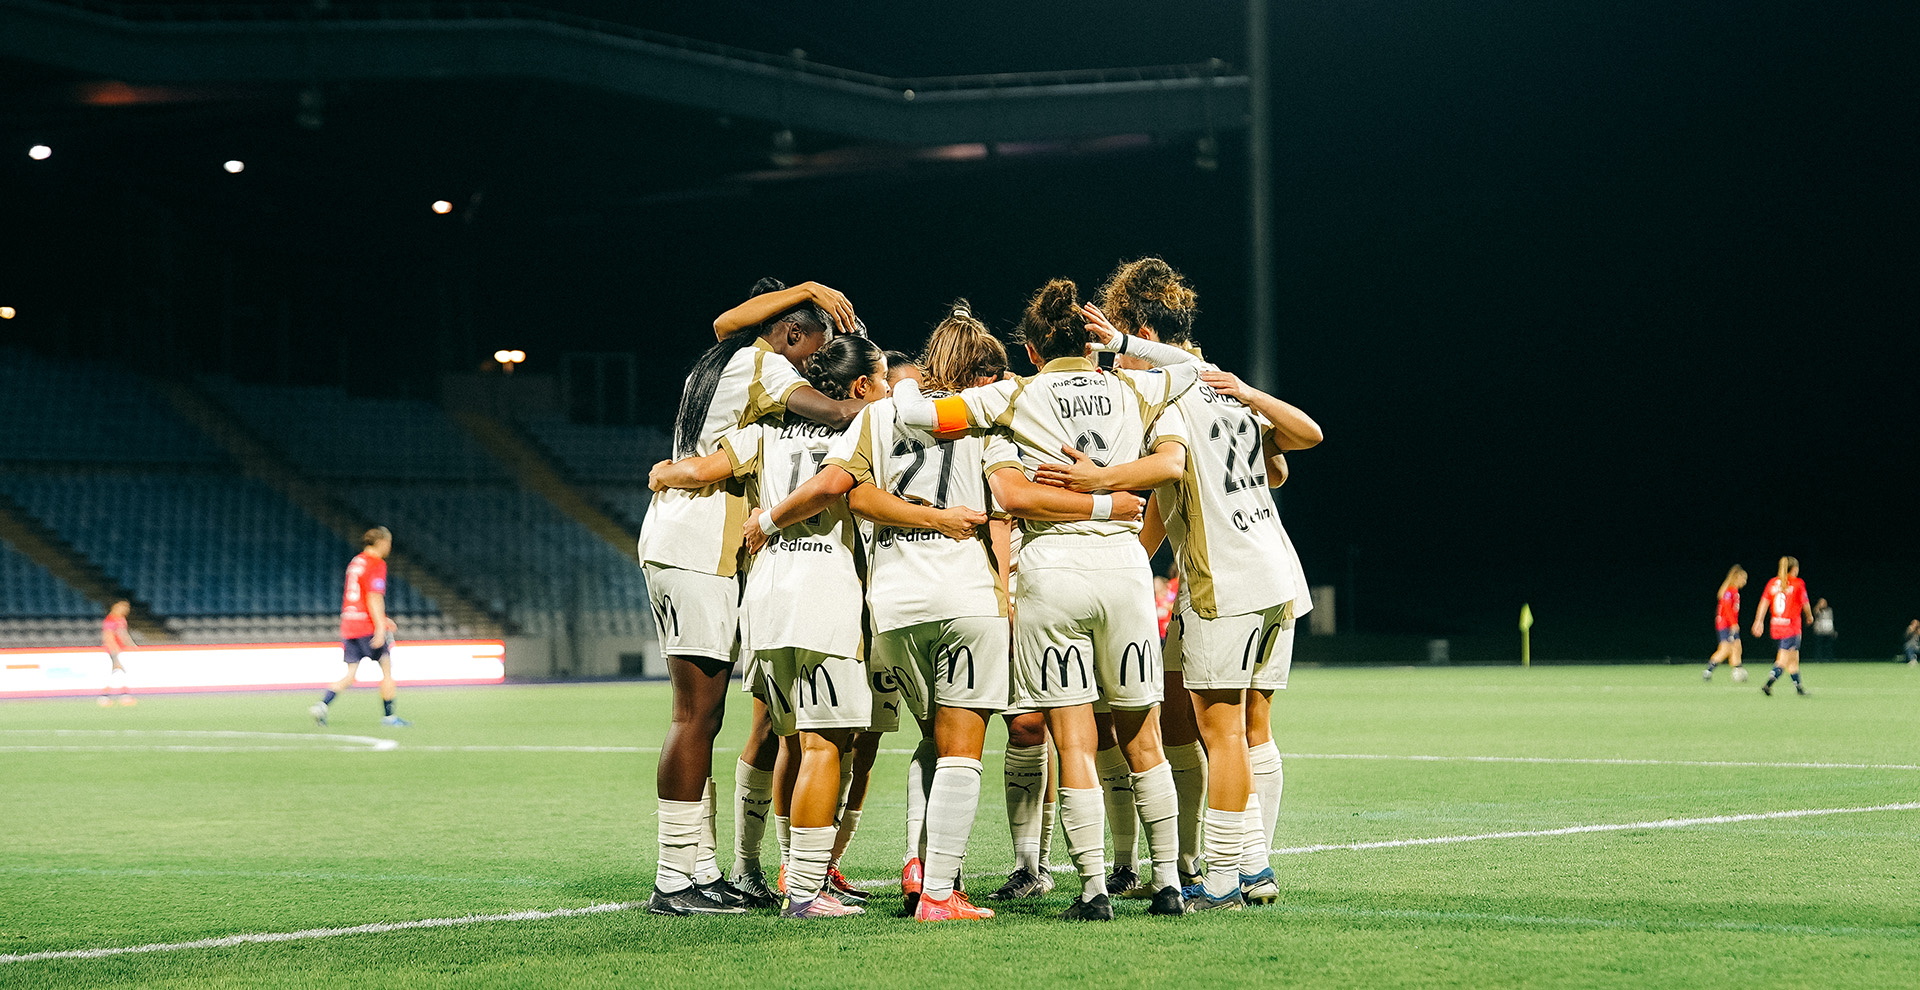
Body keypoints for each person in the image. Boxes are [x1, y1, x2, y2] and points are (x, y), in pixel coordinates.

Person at [893, 278, 1204, 920]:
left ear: (1031, 349)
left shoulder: (1015, 393)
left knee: (1074, 739)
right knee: (1143, 735)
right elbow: (1197, 372)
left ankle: (1092, 890)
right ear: (1092, 342)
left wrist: (902, 377)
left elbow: (916, 416)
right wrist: (1121, 352)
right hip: (1123, 567)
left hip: (1052, 570)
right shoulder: (1135, 386)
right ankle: (1170, 883)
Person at [1041, 256, 1321, 911]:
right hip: (1278, 573)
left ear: (1136, 328)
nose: (1108, 355)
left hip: (1228, 581)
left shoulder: (1169, 388)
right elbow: (1272, 471)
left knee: (1218, 730)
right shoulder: (1223, 384)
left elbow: (1164, 473)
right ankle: (1252, 869)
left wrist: (1098, 482)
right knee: (1250, 725)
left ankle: (1221, 879)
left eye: (1115, 338)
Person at [637, 278, 868, 917]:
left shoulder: (727, 354)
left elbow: (723, 320)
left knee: (702, 715)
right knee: (696, 714)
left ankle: (700, 869)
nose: (810, 369)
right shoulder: (765, 363)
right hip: (698, 541)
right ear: (790, 334)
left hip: (684, 535)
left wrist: (810, 289)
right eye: (810, 349)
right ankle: (672, 880)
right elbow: (833, 413)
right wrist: (912, 405)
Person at [310, 527, 407, 727]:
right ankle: (389, 716)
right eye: (388, 542)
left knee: (350, 674)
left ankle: (323, 704)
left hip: (349, 623)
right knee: (387, 669)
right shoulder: (376, 563)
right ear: (380, 542)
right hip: (367, 626)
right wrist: (380, 626)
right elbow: (373, 597)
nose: (389, 547)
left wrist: (383, 618)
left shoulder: (356, 562)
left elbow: (359, 596)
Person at [1752, 556, 1813, 697]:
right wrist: (1809, 616)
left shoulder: (1773, 583)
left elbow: (1764, 603)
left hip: (1776, 626)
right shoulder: (1798, 583)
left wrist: (1758, 621)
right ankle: (1768, 684)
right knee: (1783, 659)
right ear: (1795, 569)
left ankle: (1799, 688)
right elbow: (1805, 603)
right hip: (1791, 627)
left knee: (1793, 658)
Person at [1703, 565, 1749, 681]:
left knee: (1737, 646)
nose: (1745, 582)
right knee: (1725, 649)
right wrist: (1733, 623)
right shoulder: (1730, 591)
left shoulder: (1734, 591)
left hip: (1728, 624)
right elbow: (1727, 608)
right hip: (1725, 624)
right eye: (1743, 579)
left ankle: (1737, 670)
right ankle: (1708, 671)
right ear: (1737, 577)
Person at [99, 600, 136, 707]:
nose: (126, 609)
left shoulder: (121, 619)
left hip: (120, 650)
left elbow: (123, 635)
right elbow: (108, 636)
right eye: (124, 607)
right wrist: (113, 650)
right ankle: (109, 696)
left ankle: (113, 696)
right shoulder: (110, 620)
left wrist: (131, 645)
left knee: (118, 672)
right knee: (117, 671)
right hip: (113, 651)